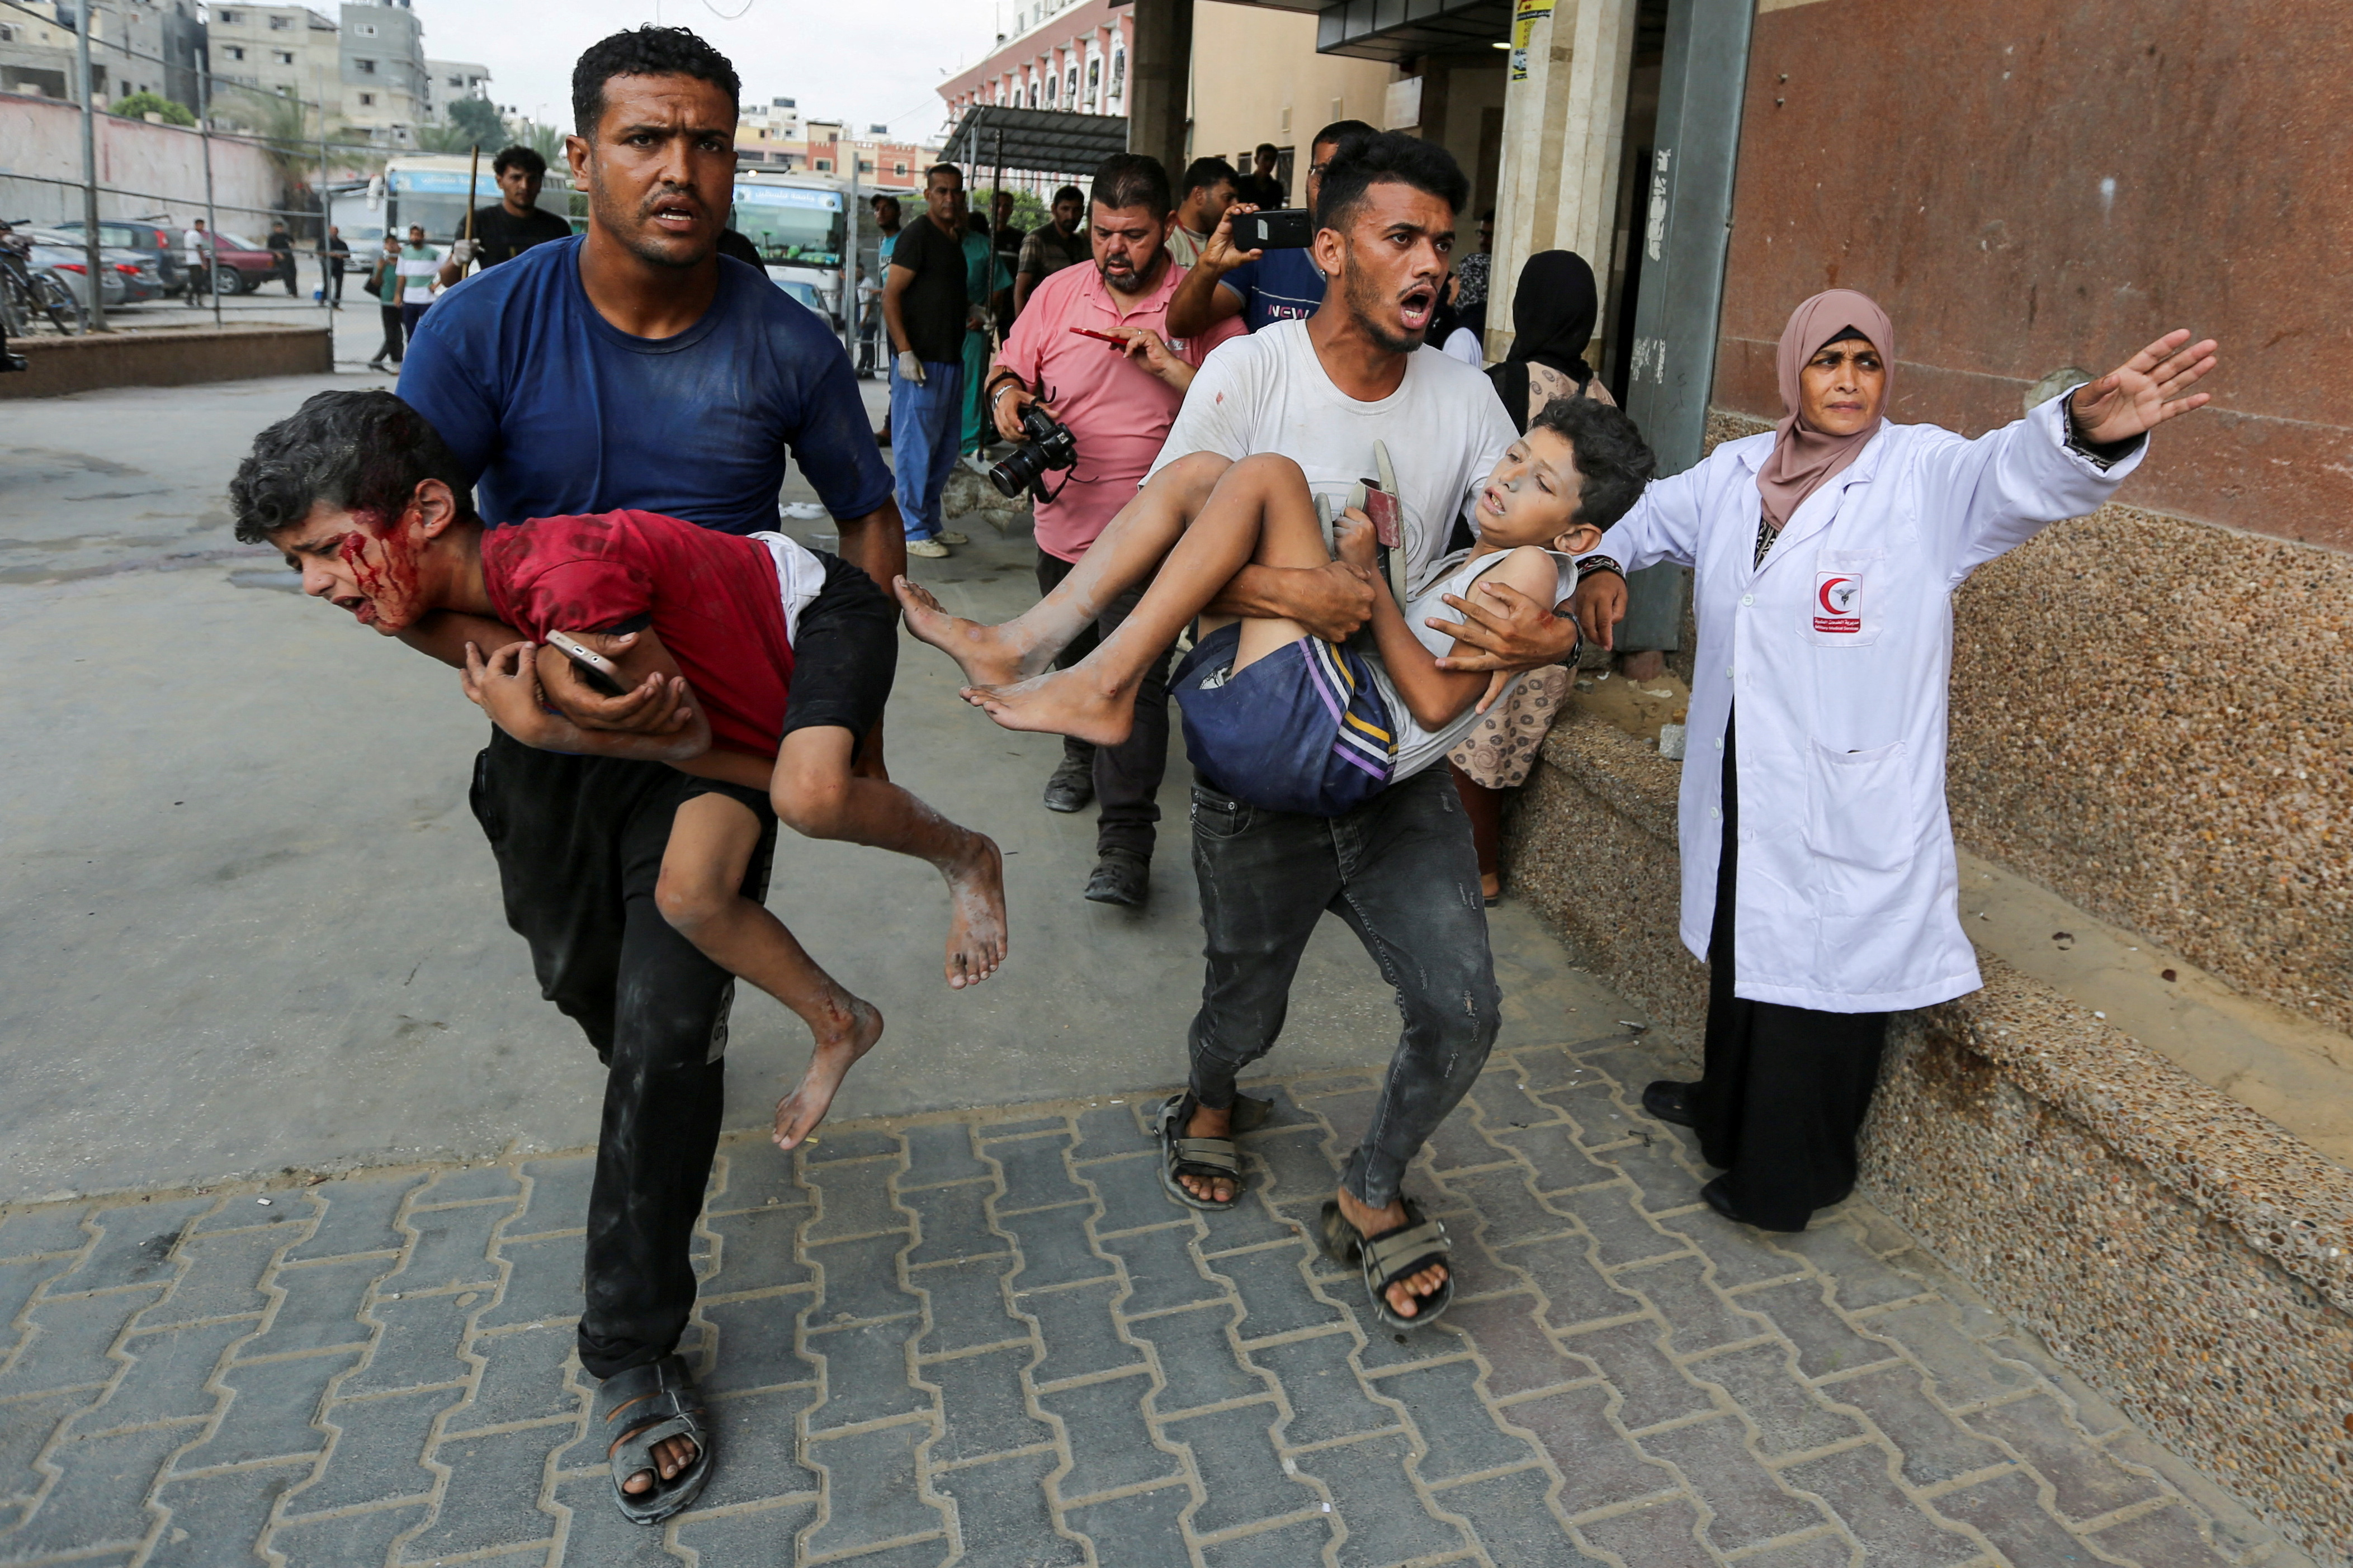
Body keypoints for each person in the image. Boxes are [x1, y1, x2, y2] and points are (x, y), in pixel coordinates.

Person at [903, 132, 1584, 1328]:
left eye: (1447, 243)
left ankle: (1371, 1189)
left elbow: (1557, 534)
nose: (1435, 263)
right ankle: (1210, 1094)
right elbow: (1177, 562)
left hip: (1392, 770)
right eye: (1403, 237)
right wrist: (1309, 596)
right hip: (1260, 746)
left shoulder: (1467, 400)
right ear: (1330, 249)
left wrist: (1580, 610)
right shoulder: (1249, 374)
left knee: (1463, 1007)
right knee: (1240, 1005)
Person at [393, 23, 934, 1524]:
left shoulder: (782, 341)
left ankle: (630, 1344)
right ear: (580, 158)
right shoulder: (483, 331)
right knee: (580, 977)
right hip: (549, 745)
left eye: (708, 140)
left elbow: (869, 525)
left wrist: (854, 721)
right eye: (645, 139)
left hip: (719, 744)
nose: (681, 169)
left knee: (664, 1023)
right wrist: (528, 688)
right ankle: (647, 1064)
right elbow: (403, 562)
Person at [1570, 289, 2219, 1234]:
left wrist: (2082, 435)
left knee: (1818, 983)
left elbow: (2013, 474)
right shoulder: (1737, 471)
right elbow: (1642, 520)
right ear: (1792, 369)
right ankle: (1725, 1110)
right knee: (1745, 941)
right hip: (1745, 763)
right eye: (1826, 361)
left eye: (1864, 362)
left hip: (1846, 782)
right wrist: (1598, 565)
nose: (1845, 381)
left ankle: (1785, 1176)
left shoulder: (1923, 474)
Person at [231, 388, 1006, 1083]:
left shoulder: (568, 583)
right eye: (296, 562)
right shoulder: (420, 612)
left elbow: (686, 735)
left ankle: (969, 854)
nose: (314, 584)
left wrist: (543, 728)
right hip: (723, 689)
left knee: (811, 796)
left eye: (329, 550)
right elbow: (699, 742)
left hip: (816, 616)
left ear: (429, 511)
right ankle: (840, 1020)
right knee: (692, 897)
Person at [922, 400, 1641, 825]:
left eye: (1538, 482)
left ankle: (1102, 683)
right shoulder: (1492, 556)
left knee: (1269, 474)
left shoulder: (1530, 569)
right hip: (1323, 717)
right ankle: (1025, 642)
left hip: (1344, 743)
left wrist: (1368, 583)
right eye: (1513, 457)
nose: (1507, 479)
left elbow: (1428, 701)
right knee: (1205, 474)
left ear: (1575, 536)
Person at [975, 152, 1242, 906]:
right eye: (1101, 233)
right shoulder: (1058, 294)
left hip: (1153, 541)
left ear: (1166, 229)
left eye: (1131, 234)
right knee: (1068, 652)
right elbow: (1007, 366)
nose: (1113, 249)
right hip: (1061, 522)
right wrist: (1007, 396)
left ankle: (1126, 843)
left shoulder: (1204, 309)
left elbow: (1248, 415)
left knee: (1135, 685)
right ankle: (1075, 755)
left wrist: (1169, 369)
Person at [1445, 249, 1620, 899]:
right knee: (1495, 736)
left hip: (1499, 587)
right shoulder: (1601, 400)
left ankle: (1478, 874)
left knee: (1472, 734)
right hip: (1560, 603)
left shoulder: (1503, 381)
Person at [1165, 120, 1374, 338]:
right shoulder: (1262, 252)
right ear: (1308, 178)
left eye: (1348, 176)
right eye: (1323, 173)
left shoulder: (1394, 260)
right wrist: (1209, 265)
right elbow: (1181, 326)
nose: (1333, 187)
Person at [882, 164, 975, 560]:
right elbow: (891, 296)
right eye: (942, 191)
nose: (950, 198)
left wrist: (973, 309)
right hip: (920, 362)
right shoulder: (917, 236)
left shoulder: (952, 240)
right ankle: (911, 526)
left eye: (956, 191)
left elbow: (938, 293)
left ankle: (929, 522)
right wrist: (905, 351)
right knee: (915, 447)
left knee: (943, 448)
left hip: (949, 358)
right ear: (928, 194)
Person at [437, 145, 573, 287]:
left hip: (541, 306)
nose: (524, 186)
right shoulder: (478, 221)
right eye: (516, 178)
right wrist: (457, 261)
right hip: (495, 306)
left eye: (532, 179)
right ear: (500, 181)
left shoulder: (557, 227)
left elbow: (567, 280)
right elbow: (448, 281)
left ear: (540, 183)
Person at [959, 203, 1013, 458]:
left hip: (972, 326)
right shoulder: (931, 241)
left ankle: (970, 439)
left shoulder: (982, 246)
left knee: (972, 383)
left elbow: (1000, 287)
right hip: (936, 326)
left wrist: (984, 312)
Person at [1013, 185, 1088, 312]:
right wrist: (1022, 328)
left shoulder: (1080, 243)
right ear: (1054, 209)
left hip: (1071, 315)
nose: (1071, 216)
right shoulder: (1037, 240)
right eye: (1065, 209)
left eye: (1076, 210)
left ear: (1083, 211)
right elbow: (1020, 290)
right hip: (1041, 314)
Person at [1166, 157, 1238, 269]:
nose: (1235, 206)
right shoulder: (1167, 240)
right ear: (1199, 195)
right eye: (1228, 198)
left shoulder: (1226, 241)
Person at [365, 234, 405, 371]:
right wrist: (380, 269)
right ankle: (389, 362)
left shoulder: (404, 261)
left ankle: (381, 361)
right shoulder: (383, 263)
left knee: (398, 335)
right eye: (388, 243)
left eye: (393, 243)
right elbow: (376, 283)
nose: (391, 246)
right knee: (391, 335)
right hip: (387, 302)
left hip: (405, 302)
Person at [395, 223, 437, 342]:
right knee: (410, 334)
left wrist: (437, 284)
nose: (415, 238)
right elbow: (401, 275)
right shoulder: (405, 253)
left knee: (427, 332)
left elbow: (446, 268)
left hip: (427, 299)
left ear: (423, 236)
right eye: (413, 235)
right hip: (410, 299)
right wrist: (398, 294)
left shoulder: (433, 253)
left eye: (418, 235)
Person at [1236, 143, 1286, 208]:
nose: (1269, 164)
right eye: (1266, 159)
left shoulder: (1277, 188)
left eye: (1273, 160)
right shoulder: (1243, 183)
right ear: (1256, 160)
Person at [182, 219, 211, 307]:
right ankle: (190, 299)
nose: (203, 228)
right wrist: (204, 262)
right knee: (198, 282)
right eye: (201, 226)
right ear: (197, 225)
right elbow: (199, 249)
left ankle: (196, 300)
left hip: (190, 260)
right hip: (196, 261)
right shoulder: (196, 235)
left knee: (196, 281)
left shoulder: (188, 233)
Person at [266, 219, 298, 295]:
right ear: (275, 228)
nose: (280, 229)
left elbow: (293, 241)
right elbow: (270, 248)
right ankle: (290, 291)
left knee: (293, 273)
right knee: (286, 274)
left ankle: (295, 291)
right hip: (280, 258)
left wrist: (292, 247)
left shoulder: (285, 235)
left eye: (281, 228)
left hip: (289, 256)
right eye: (278, 228)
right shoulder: (272, 237)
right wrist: (278, 254)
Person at [324, 225, 349, 308]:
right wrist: (330, 254)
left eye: (336, 231)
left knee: (339, 285)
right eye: (333, 231)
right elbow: (319, 252)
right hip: (328, 265)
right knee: (327, 284)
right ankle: (323, 299)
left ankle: (336, 303)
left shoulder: (342, 243)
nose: (334, 233)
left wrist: (341, 256)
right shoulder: (325, 242)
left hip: (339, 266)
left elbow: (348, 255)